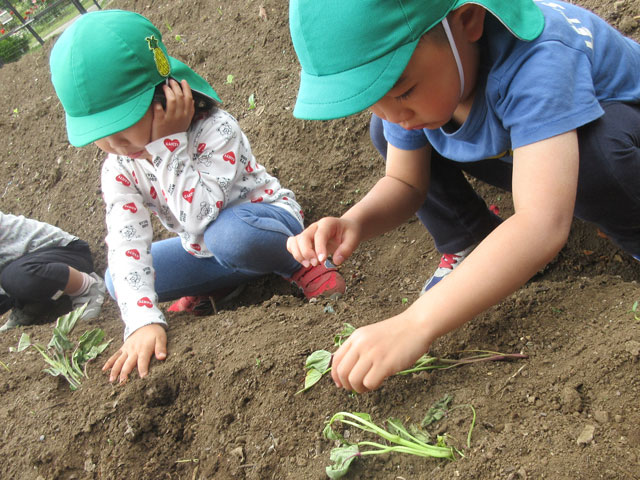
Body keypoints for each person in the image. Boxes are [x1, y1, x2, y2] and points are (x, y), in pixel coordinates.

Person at [286, 0, 640, 393]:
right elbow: (406, 183)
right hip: (532, 141)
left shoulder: (540, 61)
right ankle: (475, 242)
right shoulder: (423, 87)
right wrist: (355, 221)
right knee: (389, 133)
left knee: (599, 159)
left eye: (402, 91)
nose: (392, 114)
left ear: (469, 21)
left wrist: (414, 324)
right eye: (374, 98)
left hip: (622, 133)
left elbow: (542, 225)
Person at [49, 10, 345, 383]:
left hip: (268, 225)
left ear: (165, 96)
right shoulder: (119, 166)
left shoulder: (215, 129)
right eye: (101, 135)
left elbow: (198, 216)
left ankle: (300, 265)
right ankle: (219, 281)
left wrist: (167, 147)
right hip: (204, 248)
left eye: (122, 129)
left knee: (230, 236)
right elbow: (128, 245)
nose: (115, 146)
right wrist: (141, 320)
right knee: (114, 280)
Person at [0, 211, 105, 331]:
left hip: (64, 254)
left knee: (13, 277)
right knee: (12, 277)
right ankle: (31, 303)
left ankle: (86, 287)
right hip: (28, 269)